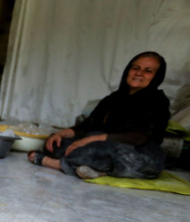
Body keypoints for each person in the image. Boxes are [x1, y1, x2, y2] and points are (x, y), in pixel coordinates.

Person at [28, 51, 170, 180]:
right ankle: (94, 169)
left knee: (97, 148)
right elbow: (90, 124)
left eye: (148, 71)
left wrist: (90, 140)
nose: (139, 73)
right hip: (103, 146)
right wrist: (61, 134)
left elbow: (139, 137)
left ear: (157, 77)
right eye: (136, 68)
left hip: (140, 156)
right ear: (128, 70)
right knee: (57, 144)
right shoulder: (114, 98)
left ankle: (55, 163)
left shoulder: (158, 101)